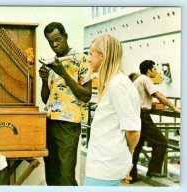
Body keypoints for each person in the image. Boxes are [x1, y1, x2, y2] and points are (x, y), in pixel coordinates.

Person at [38, 22, 92, 186]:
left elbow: (87, 96)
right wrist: (44, 79)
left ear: (66, 36)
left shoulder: (81, 59)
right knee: (51, 172)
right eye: (50, 41)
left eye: (58, 39)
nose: (55, 44)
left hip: (69, 124)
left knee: (66, 175)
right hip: (49, 121)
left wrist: (64, 74)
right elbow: (45, 99)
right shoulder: (53, 62)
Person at [83, 35, 141, 186]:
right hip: (104, 166)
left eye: (90, 54)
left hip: (105, 169)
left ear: (102, 56)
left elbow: (133, 130)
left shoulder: (118, 85)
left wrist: (127, 157)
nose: (88, 58)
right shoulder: (115, 83)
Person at [128, 60, 180, 183]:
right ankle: (154, 170)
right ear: (149, 70)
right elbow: (158, 95)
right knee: (162, 141)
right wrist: (173, 107)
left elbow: (147, 97)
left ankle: (131, 175)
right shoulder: (145, 79)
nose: (156, 72)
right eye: (154, 69)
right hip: (142, 116)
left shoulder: (138, 81)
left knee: (137, 146)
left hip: (137, 114)